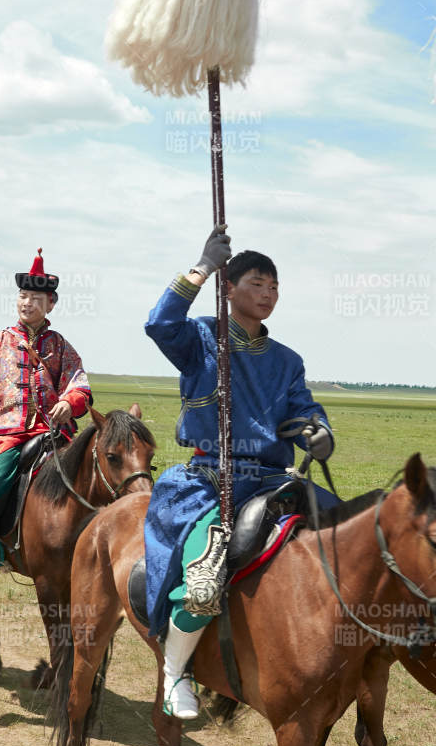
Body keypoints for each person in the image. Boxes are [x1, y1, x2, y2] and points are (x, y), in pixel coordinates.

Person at [142, 225, 335, 719]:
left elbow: (303, 410)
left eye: (274, 287)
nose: (268, 293)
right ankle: (175, 671)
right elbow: (159, 323)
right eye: (256, 283)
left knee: (352, 537)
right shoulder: (201, 337)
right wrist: (202, 265)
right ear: (228, 288)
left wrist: (316, 432)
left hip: (273, 479)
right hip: (212, 478)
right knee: (204, 581)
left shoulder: (287, 360)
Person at [0, 249, 92, 609]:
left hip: (54, 434)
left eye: (35, 298)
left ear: (50, 305)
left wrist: (68, 403)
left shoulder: (60, 346)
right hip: (9, 436)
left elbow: (80, 386)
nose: (27, 303)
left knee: (91, 479)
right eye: (23, 297)